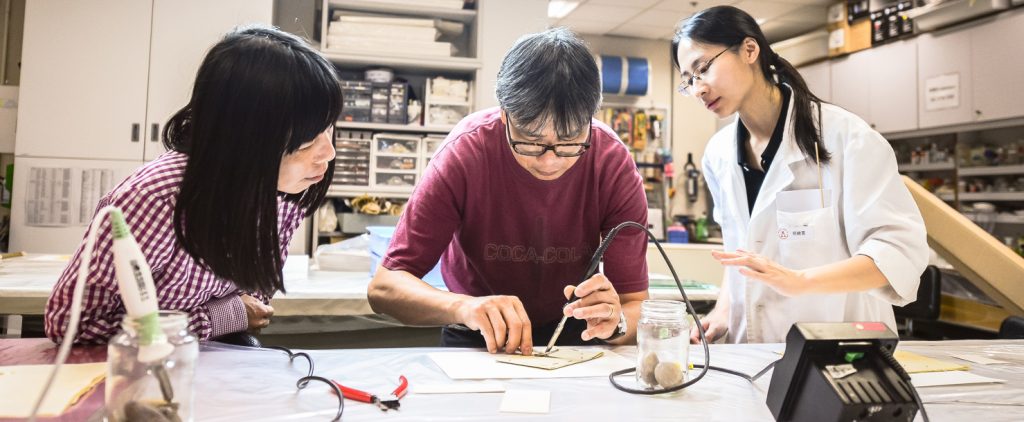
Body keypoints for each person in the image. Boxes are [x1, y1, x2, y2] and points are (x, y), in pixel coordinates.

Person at [45, 25, 341, 344]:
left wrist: (231, 315)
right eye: (307, 139)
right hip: (141, 368)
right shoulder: (154, 198)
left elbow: (254, 298)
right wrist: (220, 317)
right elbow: (74, 324)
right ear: (244, 136)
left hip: (215, 359)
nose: (329, 153)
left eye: (329, 129)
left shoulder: (283, 192)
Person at [367, 28, 650, 355]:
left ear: (591, 119)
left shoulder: (611, 162)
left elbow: (635, 305)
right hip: (476, 331)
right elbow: (385, 288)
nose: (548, 162)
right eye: (530, 141)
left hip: (572, 333)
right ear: (504, 115)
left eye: (570, 141)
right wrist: (463, 307)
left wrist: (615, 324)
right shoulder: (465, 153)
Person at [671, 6, 928, 344]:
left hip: (839, 348)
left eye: (703, 68)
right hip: (751, 351)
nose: (699, 88)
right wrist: (722, 310)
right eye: (688, 81)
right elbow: (739, 253)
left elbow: (898, 253)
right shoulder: (717, 154)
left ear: (750, 50)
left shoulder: (847, 138)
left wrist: (800, 281)